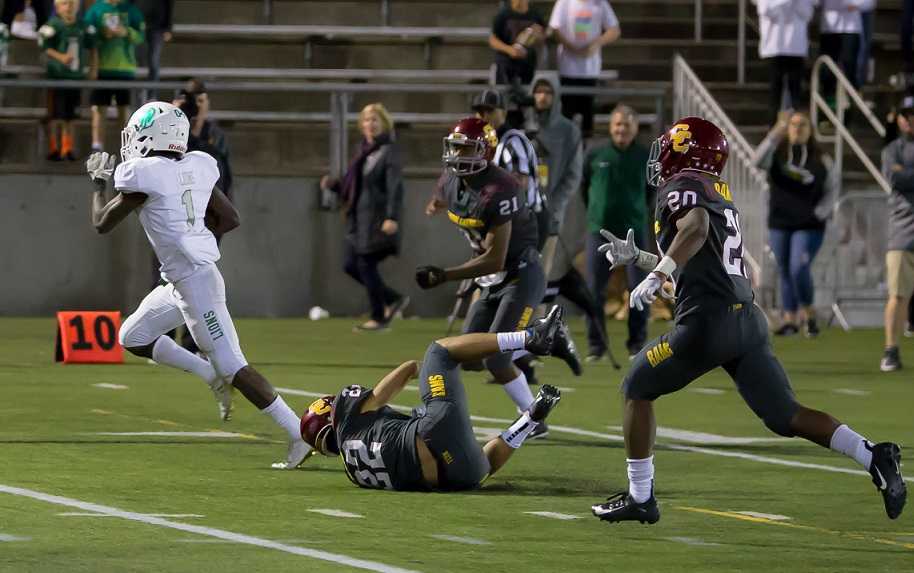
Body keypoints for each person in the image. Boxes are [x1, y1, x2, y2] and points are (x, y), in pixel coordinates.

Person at [590, 116, 907, 524]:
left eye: (670, 145)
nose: (662, 153)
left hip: (707, 324)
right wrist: (642, 259)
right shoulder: (714, 189)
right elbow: (700, 261)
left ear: (687, 151)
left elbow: (696, 229)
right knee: (785, 415)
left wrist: (658, 273)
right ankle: (872, 455)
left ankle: (640, 497)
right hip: (747, 320)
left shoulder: (681, 185)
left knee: (636, 387)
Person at [85, 101, 311, 470]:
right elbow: (230, 218)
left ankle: (298, 432)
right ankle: (209, 375)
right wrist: (193, 234)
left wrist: (98, 183)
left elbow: (101, 223)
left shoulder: (143, 177)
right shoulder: (196, 165)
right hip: (182, 280)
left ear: (149, 136)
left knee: (233, 365)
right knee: (133, 336)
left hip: (196, 283)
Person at [419, 117, 579, 438]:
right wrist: (437, 202)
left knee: (496, 358)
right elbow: (446, 195)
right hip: (491, 279)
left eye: (466, 149)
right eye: (455, 148)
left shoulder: (500, 189)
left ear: (485, 152)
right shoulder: (451, 180)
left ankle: (533, 417)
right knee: (465, 355)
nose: (457, 155)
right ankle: (543, 342)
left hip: (520, 273)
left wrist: (446, 275)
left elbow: (496, 257)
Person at [299, 306, 567, 491]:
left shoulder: (354, 475)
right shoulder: (346, 413)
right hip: (433, 431)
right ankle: (531, 337)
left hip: (454, 478)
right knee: (439, 351)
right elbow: (405, 372)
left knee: (481, 465)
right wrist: (426, 370)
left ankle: (531, 419)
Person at [321, 103, 407, 332]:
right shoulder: (363, 152)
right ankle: (392, 299)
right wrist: (335, 186)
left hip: (376, 219)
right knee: (351, 264)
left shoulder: (389, 151)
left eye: (375, 120)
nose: (371, 124)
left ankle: (379, 317)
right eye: (367, 120)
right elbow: (355, 186)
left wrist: (392, 217)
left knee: (365, 264)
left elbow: (395, 187)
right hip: (358, 219)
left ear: (384, 124)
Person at [754, 110, 836, 337]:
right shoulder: (777, 154)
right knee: (784, 270)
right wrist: (776, 130)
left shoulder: (822, 159)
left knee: (798, 267)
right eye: (793, 124)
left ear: (811, 130)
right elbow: (757, 160)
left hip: (809, 225)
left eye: (803, 124)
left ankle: (808, 313)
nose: (798, 128)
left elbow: (832, 190)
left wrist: (819, 213)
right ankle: (789, 319)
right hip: (780, 222)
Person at [583, 104, 650, 359]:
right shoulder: (595, 152)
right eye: (618, 124)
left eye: (627, 125)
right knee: (593, 289)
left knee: (639, 288)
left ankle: (637, 344)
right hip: (599, 232)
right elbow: (584, 186)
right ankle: (596, 346)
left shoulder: (645, 156)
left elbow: (651, 191)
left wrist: (635, 213)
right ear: (611, 127)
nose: (622, 129)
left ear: (635, 128)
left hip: (634, 233)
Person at [547, 0, 620, 138]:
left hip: (590, 70)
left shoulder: (600, 3)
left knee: (588, 112)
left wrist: (596, 43)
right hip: (568, 68)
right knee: (567, 112)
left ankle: (587, 143)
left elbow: (614, 30)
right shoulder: (564, 3)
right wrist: (570, 47)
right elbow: (554, 28)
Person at [879, 101, 914, 371]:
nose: (909, 120)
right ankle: (891, 350)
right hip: (904, 230)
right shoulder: (893, 150)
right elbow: (897, 179)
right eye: (906, 116)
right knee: (898, 294)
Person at [84, 0, 144, 152]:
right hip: (102, 68)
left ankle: (129, 148)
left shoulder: (131, 10)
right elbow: (86, 36)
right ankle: (97, 147)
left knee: (124, 109)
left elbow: (141, 36)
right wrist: (101, 35)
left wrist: (126, 32)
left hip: (125, 68)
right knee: (99, 109)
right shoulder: (96, 10)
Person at [38, 0, 94, 161]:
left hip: (75, 77)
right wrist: (60, 57)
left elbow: (93, 46)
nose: (69, 7)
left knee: (71, 115)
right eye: (64, 3)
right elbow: (45, 46)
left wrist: (93, 67)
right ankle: (54, 147)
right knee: (55, 115)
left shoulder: (83, 26)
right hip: (57, 77)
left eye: (72, 3)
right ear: (57, 7)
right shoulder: (52, 26)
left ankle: (67, 147)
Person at [753, 0, 816, 126]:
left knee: (795, 91)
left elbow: (807, 14)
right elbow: (765, 10)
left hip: (796, 48)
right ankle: (772, 126)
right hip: (774, 47)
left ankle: (796, 130)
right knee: (775, 91)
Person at [817, 0, 872, 123]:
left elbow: (869, 3)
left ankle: (850, 114)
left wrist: (853, 4)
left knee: (850, 70)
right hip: (829, 28)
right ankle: (827, 113)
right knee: (827, 73)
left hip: (851, 28)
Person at [489, 0, 545, 87]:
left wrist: (538, 35)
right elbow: (493, 40)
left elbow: (543, 38)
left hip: (528, 63)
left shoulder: (535, 15)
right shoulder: (503, 15)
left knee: (526, 92)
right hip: (506, 64)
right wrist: (509, 50)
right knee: (504, 92)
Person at [133, 0, 173, 101]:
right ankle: (134, 94)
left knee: (154, 62)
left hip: (157, 27)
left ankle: (151, 95)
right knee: (134, 61)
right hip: (138, 25)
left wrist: (168, 28)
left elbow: (168, 5)